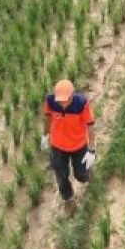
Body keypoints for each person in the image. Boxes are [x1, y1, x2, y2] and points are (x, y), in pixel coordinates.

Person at [40, 79, 96, 216]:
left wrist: (91, 150)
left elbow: (90, 126)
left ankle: (89, 174)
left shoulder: (81, 104)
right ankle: (68, 200)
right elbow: (48, 119)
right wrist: (44, 136)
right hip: (58, 146)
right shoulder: (51, 101)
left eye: (65, 100)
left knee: (81, 175)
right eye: (60, 100)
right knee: (61, 175)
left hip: (79, 145)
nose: (61, 103)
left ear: (71, 96)